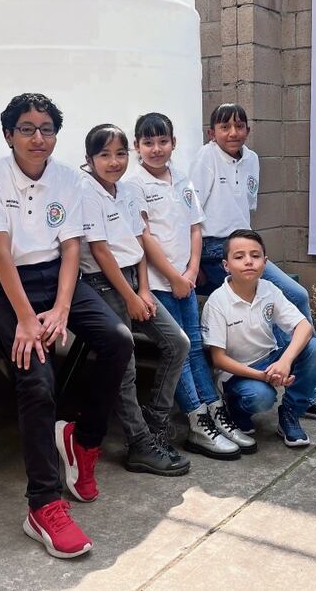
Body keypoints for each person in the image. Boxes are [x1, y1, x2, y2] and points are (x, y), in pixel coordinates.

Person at [0, 93, 131, 559]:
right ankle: (43, 504)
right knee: (37, 381)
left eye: (46, 129)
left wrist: (61, 309)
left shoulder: (67, 179)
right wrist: (25, 319)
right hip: (10, 284)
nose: (38, 137)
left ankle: (83, 441)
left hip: (58, 278)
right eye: (26, 128)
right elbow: (0, 253)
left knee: (117, 341)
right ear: (8, 135)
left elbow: (70, 250)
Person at [191, 103, 316, 424]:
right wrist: (192, 263)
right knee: (270, 305)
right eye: (224, 127)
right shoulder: (205, 158)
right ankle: (311, 392)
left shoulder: (252, 159)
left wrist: (252, 252)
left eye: (239, 126)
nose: (232, 133)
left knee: (297, 294)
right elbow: (191, 214)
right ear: (212, 133)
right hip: (211, 251)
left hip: (243, 244)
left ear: (248, 130)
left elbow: (246, 208)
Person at [125, 112, 253, 460]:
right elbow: (144, 236)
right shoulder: (133, 184)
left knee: (196, 346)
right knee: (178, 350)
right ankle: (197, 422)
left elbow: (197, 226)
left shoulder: (180, 178)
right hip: (161, 284)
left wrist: (193, 269)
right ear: (137, 145)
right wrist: (174, 276)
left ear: (173, 143)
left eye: (162, 141)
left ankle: (214, 411)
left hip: (185, 276)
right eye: (148, 142)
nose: (156, 148)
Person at [77, 123, 190, 476]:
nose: (114, 161)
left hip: (131, 281)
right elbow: (100, 252)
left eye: (121, 153)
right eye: (105, 155)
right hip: (101, 283)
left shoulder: (128, 191)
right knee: (123, 364)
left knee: (178, 343)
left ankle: (154, 423)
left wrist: (142, 290)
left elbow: (139, 241)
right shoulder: (85, 193)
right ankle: (138, 444)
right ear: (89, 159)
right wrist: (128, 297)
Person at [201, 229, 316, 448]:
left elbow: (304, 326)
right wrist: (263, 376)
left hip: (270, 358)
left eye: (255, 256)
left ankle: (290, 415)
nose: (248, 262)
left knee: (314, 348)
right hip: (238, 372)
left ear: (265, 262)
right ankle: (235, 407)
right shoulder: (217, 302)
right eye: (239, 257)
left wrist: (284, 362)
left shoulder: (268, 289)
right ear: (226, 265)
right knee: (262, 398)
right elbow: (218, 359)